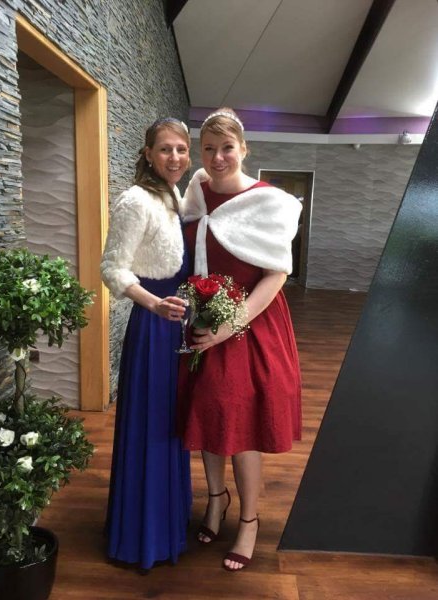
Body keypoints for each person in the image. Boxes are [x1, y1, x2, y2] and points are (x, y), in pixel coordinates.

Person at [177, 108, 302, 571]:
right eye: (209, 148)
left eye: (227, 148)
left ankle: (249, 520)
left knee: (242, 424)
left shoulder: (269, 202)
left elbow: (276, 275)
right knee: (205, 414)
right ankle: (217, 499)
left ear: (244, 149)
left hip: (250, 322)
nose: (217, 157)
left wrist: (230, 326)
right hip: (203, 319)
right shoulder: (196, 190)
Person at [101, 117, 192, 570]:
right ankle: (142, 537)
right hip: (154, 327)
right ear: (148, 154)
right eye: (165, 149)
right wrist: (154, 304)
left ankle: (169, 525)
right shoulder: (136, 200)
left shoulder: (176, 196)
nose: (174, 157)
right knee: (152, 424)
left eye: (181, 149)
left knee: (172, 425)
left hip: (178, 325)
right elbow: (112, 268)